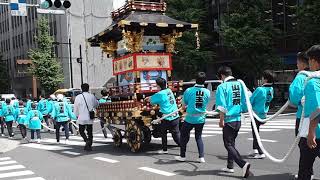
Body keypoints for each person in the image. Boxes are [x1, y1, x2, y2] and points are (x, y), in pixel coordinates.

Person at [215, 66, 251, 178]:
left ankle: (243, 164)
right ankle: (230, 166)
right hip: (238, 119)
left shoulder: (222, 86)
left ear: (222, 76)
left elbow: (221, 106)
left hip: (229, 120)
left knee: (228, 144)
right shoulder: (240, 84)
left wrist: (221, 120)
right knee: (232, 143)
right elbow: (247, 98)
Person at [175, 72, 210, 163]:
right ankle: (201, 157)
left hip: (189, 119)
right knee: (198, 137)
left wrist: (186, 106)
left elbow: (183, 105)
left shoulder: (189, 90)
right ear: (204, 81)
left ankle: (182, 156)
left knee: (183, 136)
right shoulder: (207, 92)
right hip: (201, 118)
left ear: (195, 80)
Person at [297, 45, 320, 180]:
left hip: (315, 132)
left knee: (305, 170)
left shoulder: (313, 82)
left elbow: (317, 108)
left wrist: (311, 132)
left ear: (313, 61)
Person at [146, 77, 180, 154]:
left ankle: (166, 149)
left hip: (167, 117)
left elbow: (151, 101)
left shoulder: (160, 94)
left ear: (158, 86)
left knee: (164, 133)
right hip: (175, 115)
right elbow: (157, 97)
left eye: (156, 85)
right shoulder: (169, 90)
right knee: (175, 134)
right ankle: (181, 146)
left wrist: (148, 98)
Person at [249, 70, 275, 159]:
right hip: (264, 114)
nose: (262, 79)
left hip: (256, 114)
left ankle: (260, 152)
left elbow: (250, 101)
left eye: (263, 77)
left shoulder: (260, 89)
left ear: (266, 79)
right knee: (256, 132)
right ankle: (255, 149)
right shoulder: (271, 89)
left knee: (255, 133)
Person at [289, 52, 310, 136]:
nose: (297, 65)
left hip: (303, 116)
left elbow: (294, 97)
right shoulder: (317, 76)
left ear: (302, 63)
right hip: (316, 115)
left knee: (304, 145)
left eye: (297, 63)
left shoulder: (300, 77)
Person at [74, 83, 99, 151]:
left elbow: (75, 108)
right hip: (89, 117)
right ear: (88, 88)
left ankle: (86, 140)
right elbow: (96, 105)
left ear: (81, 89)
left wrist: (76, 115)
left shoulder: (78, 97)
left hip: (81, 116)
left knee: (81, 131)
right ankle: (89, 144)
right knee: (90, 132)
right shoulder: (91, 96)